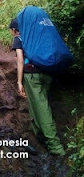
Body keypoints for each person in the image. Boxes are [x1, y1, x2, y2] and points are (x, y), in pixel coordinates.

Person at [9, 18, 65, 156]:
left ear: (14, 30)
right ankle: (41, 140)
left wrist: (19, 82)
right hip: (47, 74)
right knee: (36, 107)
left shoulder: (18, 39)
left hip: (32, 76)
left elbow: (20, 60)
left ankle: (56, 148)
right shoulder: (35, 37)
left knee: (42, 109)